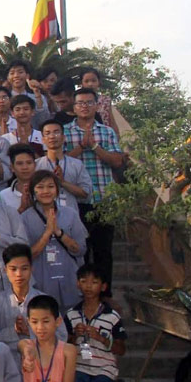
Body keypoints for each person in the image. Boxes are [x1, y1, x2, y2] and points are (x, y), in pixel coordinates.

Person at [63, 88, 125, 293]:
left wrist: (95, 147)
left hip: (104, 199)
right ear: (74, 107)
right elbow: (61, 162)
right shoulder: (65, 131)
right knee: (79, 250)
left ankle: (104, 295)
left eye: (89, 103)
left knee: (103, 251)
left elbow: (117, 161)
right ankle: (79, 293)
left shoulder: (107, 132)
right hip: (77, 201)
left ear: (96, 105)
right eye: (80, 103)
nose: (84, 106)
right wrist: (81, 147)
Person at [65, 264, 127, 382]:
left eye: (94, 282)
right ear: (78, 284)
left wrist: (101, 338)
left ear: (103, 286)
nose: (88, 286)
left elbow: (122, 349)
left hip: (104, 368)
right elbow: (64, 344)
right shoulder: (72, 314)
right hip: (80, 368)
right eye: (84, 281)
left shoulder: (112, 316)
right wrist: (74, 336)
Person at [0, 243, 69, 361]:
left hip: (40, 364)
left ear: (32, 268)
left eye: (24, 268)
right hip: (6, 366)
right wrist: (14, 331)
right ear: (5, 270)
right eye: (13, 269)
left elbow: (62, 336)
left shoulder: (44, 301)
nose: (19, 274)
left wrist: (30, 332)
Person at [20, 171, 88, 309]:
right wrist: (47, 233)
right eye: (40, 187)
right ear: (33, 190)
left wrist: (58, 232)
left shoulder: (70, 214)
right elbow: (25, 255)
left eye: (50, 186)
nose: (46, 191)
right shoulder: (25, 218)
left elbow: (81, 249)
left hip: (69, 276)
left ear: (57, 189)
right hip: (41, 279)